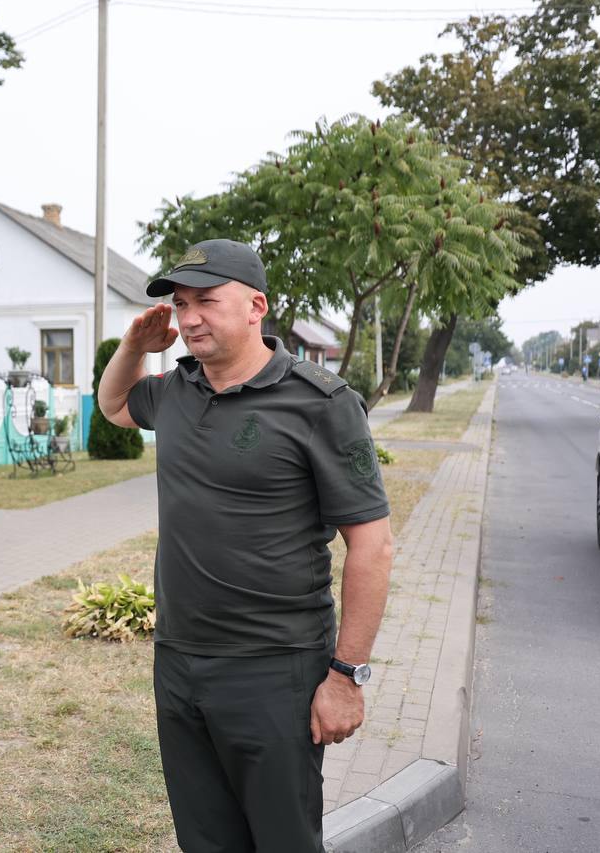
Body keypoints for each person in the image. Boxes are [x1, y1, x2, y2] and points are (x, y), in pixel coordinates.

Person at [97, 239, 395, 852]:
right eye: (181, 305)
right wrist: (133, 346)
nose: (189, 319)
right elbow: (115, 405)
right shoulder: (176, 391)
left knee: (283, 841)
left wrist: (345, 676)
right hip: (179, 661)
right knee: (205, 841)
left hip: (275, 668)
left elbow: (373, 546)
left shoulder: (321, 403)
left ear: (256, 305)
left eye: (207, 301)